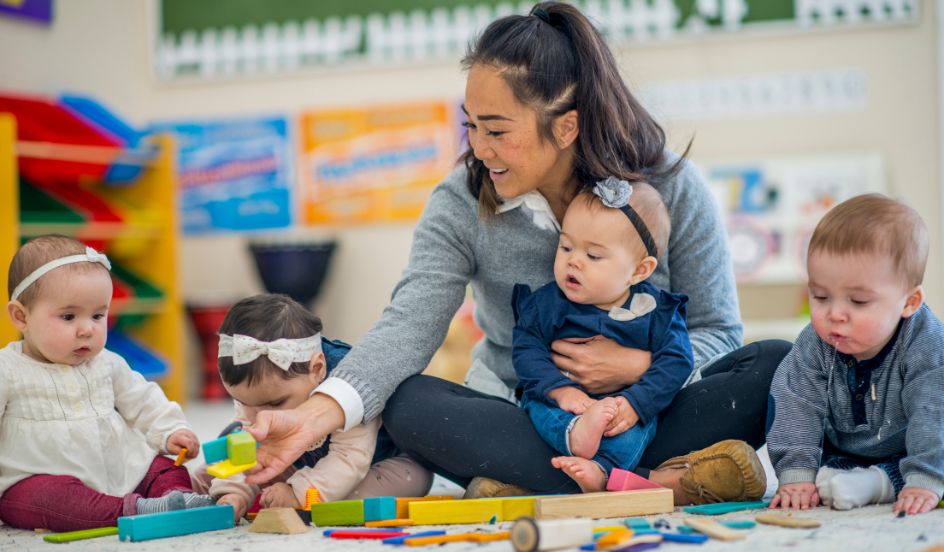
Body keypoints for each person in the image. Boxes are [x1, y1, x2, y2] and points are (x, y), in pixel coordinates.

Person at [245, 1, 789, 505]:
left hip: (651, 408)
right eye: (472, 126)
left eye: (498, 130)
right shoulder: (459, 200)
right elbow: (409, 324)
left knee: (773, 364)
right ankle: (658, 483)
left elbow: (719, 330)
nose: (480, 148)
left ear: (567, 124)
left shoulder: (670, 187)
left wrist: (641, 369)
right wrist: (320, 411)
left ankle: (538, 483)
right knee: (409, 404)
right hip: (527, 417)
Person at [0, 235, 212, 532]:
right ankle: (137, 509)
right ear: (21, 316)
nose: (87, 329)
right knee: (43, 499)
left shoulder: (107, 363)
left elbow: (144, 399)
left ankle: (174, 498)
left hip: (119, 469)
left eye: (98, 315)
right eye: (69, 316)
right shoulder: (7, 369)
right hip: (39, 476)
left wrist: (171, 430)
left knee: (164, 466)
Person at [768, 194, 944, 516]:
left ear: (909, 302)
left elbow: (934, 415)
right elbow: (797, 404)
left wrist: (924, 478)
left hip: (916, 449)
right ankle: (851, 478)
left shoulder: (927, 346)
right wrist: (797, 475)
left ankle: (885, 482)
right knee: (784, 394)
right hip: (843, 451)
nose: (835, 314)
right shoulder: (814, 343)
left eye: (859, 302)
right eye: (820, 297)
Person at [513, 179, 692, 492]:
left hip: (622, 405)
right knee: (537, 408)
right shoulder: (547, 304)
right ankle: (575, 435)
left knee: (632, 431)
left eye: (593, 256)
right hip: (561, 403)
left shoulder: (656, 311)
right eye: (566, 246)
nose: (574, 260)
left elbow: (677, 361)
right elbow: (527, 350)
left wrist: (635, 403)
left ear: (639, 270)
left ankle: (600, 472)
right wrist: (560, 391)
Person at [199, 294, 432, 521]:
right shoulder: (260, 400)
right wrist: (234, 492)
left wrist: (298, 492)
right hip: (302, 462)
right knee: (215, 471)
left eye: (275, 403)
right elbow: (246, 447)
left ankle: (304, 497)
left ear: (317, 369)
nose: (259, 415)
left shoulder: (349, 384)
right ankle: (176, 490)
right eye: (243, 402)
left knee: (362, 496)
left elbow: (350, 458)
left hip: (379, 462)